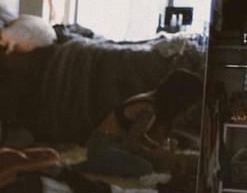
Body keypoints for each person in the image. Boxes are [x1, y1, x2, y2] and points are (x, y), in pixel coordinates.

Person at [74, 68, 204, 178]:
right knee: (144, 168)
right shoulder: (148, 109)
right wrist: (157, 154)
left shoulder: (156, 105)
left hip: (118, 145)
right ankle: (80, 166)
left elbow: (139, 138)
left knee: (156, 164)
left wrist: (157, 149)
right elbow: (130, 145)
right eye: (191, 103)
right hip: (104, 145)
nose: (191, 109)